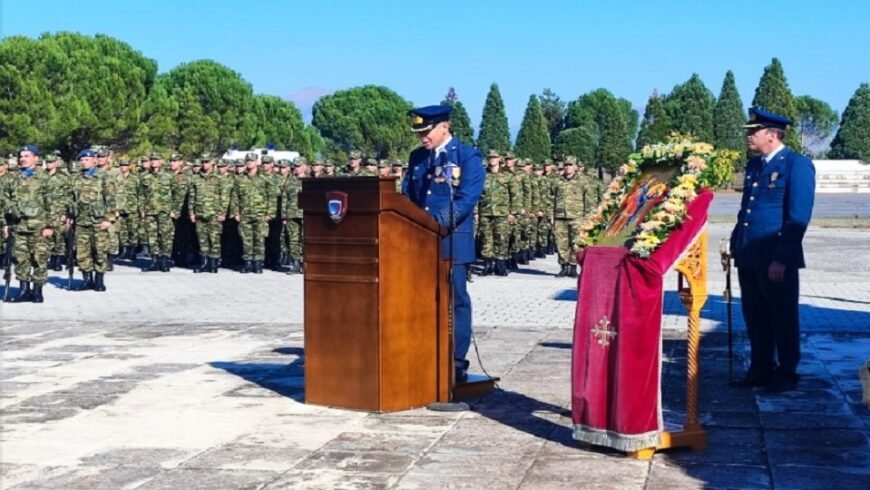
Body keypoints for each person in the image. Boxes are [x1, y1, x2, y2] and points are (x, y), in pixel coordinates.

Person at [729, 107, 815, 392]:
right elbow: (747, 211)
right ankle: (760, 367)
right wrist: (735, 245)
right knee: (755, 315)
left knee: (782, 315)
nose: (749, 136)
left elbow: (797, 218)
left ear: (773, 135)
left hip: (775, 258)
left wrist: (782, 258)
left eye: (754, 131)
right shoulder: (755, 166)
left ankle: (786, 372)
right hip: (750, 256)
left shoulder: (796, 165)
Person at [402, 104, 484, 382]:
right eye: (419, 132)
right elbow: (407, 197)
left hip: (451, 242)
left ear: (444, 127)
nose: (422, 137)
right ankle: (424, 352)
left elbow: (467, 198)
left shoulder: (467, 156)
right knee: (421, 300)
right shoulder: (417, 158)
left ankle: (456, 360)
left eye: (427, 131)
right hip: (419, 243)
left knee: (456, 301)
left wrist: (436, 223)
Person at [5, 145, 56, 303]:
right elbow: (5, 199)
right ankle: (24, 290)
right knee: (21, 259)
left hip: (39, 226)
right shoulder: (13, 178)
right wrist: (6, 223)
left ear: (35, 158)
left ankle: (38, 291)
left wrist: (50, 226)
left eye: (27, 156)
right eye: (21, 156)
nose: (23, 159)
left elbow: (53, 204)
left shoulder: (44, 178)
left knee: (39, 259)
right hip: (19, 226)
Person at [70, 148, 117, 292]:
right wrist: (70, 215)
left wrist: (108, 219)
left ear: (94, 161)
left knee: (100, 250)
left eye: (87, 160)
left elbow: (110, 199)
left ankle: (99, 280)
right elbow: (71, 199)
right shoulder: (76, 178)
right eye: (82, 160)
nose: (84, 163)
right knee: (83, 252)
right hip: (81, 221)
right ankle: (87, 280)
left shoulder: (103, 177)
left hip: (98, 220)